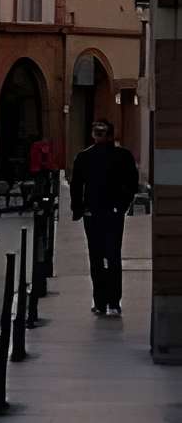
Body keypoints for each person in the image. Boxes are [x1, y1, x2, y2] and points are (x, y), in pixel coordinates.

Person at [68, 117, 140, 317]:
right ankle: (106, 301)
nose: (99, 136)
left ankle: (108, 301)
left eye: (102, 132)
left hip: (103, 212)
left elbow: (131, 183)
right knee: (104, 255)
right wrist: (79, 208)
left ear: (109, 134)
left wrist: (79, 209)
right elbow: (76, 185)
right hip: (102, 212)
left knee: (105, 255)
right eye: (97, 132)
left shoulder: (88, 157)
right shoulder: (90, 157)